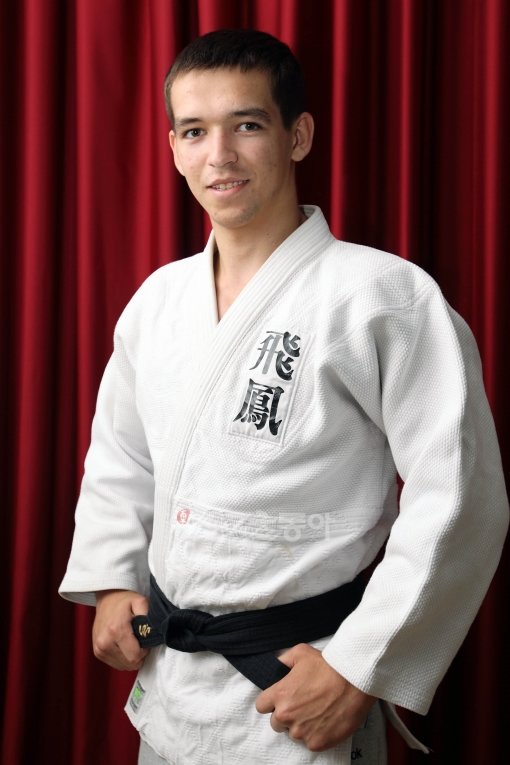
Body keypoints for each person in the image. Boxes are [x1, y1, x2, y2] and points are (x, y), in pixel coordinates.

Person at [59, 29, 508, 765]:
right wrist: (112, 581)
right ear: (173, 149)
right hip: (171, 688)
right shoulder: (158, 300)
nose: (219, 155)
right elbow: (122, 456)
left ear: (298, 136)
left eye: (247, 125)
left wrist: (359, 666)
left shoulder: (381, 295)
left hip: (303, 689)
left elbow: (459, 494)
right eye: (195, 131)